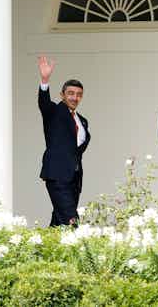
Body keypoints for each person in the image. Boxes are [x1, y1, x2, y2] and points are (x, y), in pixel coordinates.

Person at [37, 56, 90, 226]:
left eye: (79, 95)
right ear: (62, 95)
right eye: (71, 93)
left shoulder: (82, 121)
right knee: (71, 220)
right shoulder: (54, 112)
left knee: (59, 222)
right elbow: (44, 103)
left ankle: (43, 250)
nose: (75, 98)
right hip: (57, 175)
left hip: (74, 178)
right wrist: (45, 80)